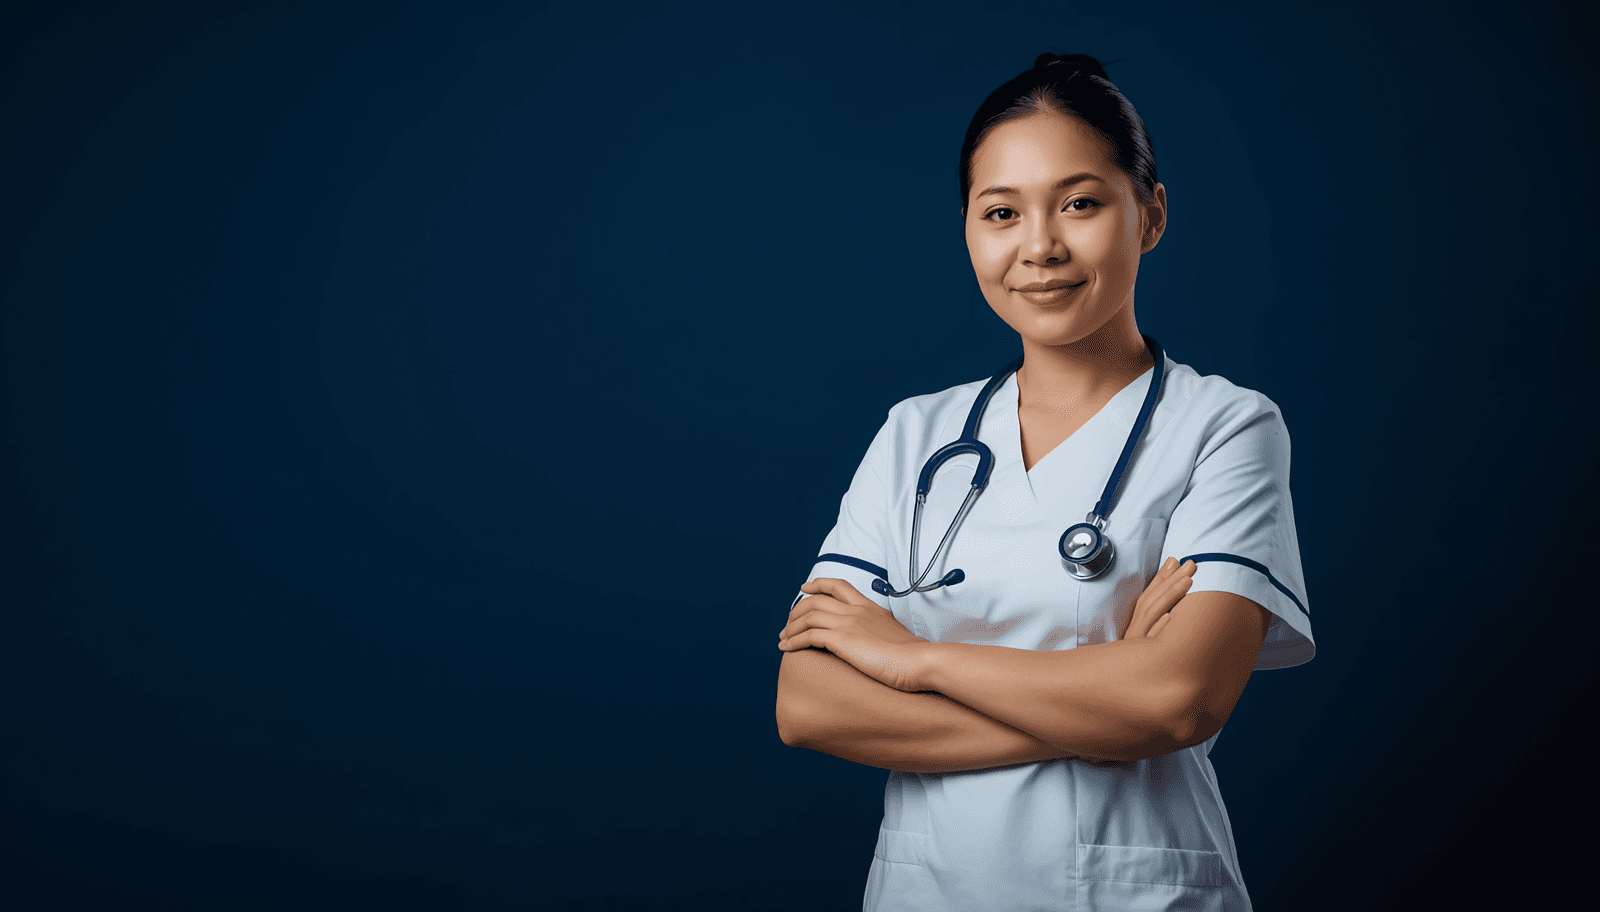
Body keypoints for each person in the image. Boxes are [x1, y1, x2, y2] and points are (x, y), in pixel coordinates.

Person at [774, 52, 1315, 912]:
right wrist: (1102, 709)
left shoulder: (1227, 428)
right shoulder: (917, 434)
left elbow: (1178, 701)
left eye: (1080, 203)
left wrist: (914, 660)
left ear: (1151, 215)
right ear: (968, 231)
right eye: (1001, 212)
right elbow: (809, 704)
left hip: (1138, 892)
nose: (1040, 247)